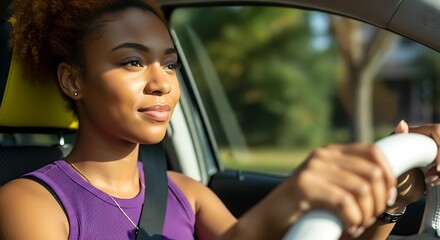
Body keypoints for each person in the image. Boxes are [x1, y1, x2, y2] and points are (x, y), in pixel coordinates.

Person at [0, 0, 438, 239]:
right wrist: (280, 206)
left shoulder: (184, 193)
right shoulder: (28, 203)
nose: (163, 85)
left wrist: (390, 199)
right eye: (133, 62)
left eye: (170, 65)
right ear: (74, 80)